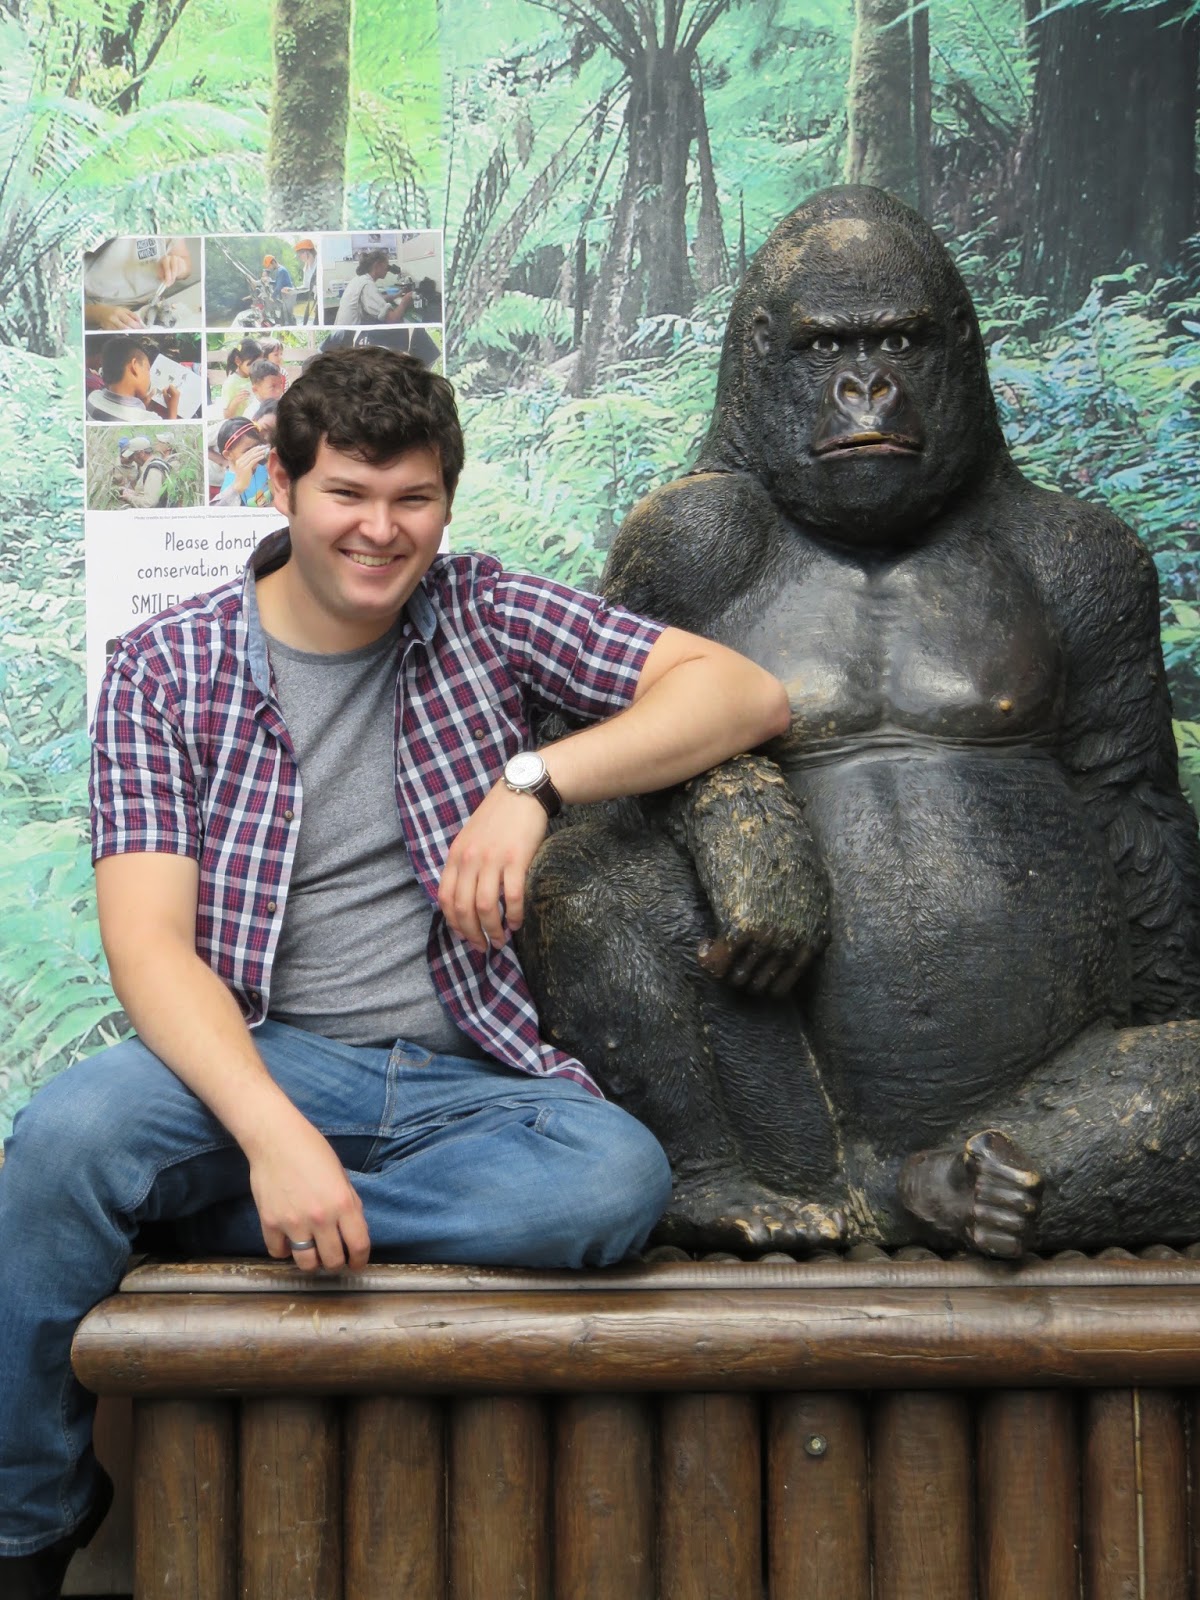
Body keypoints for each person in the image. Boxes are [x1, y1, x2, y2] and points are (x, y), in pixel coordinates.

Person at [0, 345, 791, 1596]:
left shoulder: (482, 611)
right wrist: (274, 1135)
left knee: (612, 1181)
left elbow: (742, 694)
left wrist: (535, 783)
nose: (380, 530)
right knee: (53, 1146)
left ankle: (219, 1223)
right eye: (348, 494)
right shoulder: (168, 667)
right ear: (282, 486)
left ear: (445, 504)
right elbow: (148, 945)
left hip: (458, 1072)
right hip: (253, 1055)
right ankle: (27, 1526)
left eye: (412, 499)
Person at [84, 236, 194, 330]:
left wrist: (179, 266)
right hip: (99, 310)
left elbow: (184, 261)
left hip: (155, 301)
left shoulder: (168, 216)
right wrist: (98, 314)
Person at [85, 336, 179, 423]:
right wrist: (173, 410)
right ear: (135, 366)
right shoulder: (149, 419)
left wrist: (140, 407)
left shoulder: (93, 397)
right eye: (148, 369)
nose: (149, 377)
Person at [333, 248, 414, 326]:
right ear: (377, 265)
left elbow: (379, 298)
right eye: (387, 266)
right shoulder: (368, 285)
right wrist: (405, 300)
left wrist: (397, 295)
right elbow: (392, 319)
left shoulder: (359, 279)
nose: (388, 270)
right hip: (350, 335)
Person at [212, 417, 272, 506]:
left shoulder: (263, 464)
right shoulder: (229, 488)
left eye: (257, 446)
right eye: (248, 451)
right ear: (228, 455)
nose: (255, 454)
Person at [115, 434, 172, 508]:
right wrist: (133, 493)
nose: (132, 459)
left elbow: (149, 502)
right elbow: (148, 493)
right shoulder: (151, 465)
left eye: (133, 455)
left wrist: (129, 498)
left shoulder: (153, 470)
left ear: (141, 453)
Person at [217, 339, 263, 419]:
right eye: (252, 364)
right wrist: (235, 401)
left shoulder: (256, 376)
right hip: (239, 425)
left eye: (259, 364)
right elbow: (226, 416)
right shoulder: (231, 384)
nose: (256, 368)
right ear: (238, 361)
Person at [263, 254, 296, 323]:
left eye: (269, 266)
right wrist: (269, 282)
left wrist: (272, 297)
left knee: (288, 316)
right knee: (285, 315)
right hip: (287, 295)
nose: (269, 268)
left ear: (273, 262)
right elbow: (278, 283)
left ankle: (291, 326)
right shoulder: (280, 270)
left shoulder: (281, 271)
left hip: (289, 295)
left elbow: (278, 287)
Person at [294, 237, 318, 323]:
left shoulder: (320, 262)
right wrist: (293, 290)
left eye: (300, 254)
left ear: (307, 252)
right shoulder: (306, 268)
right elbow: (306, 286)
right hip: (317, 301)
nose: (299, 257)